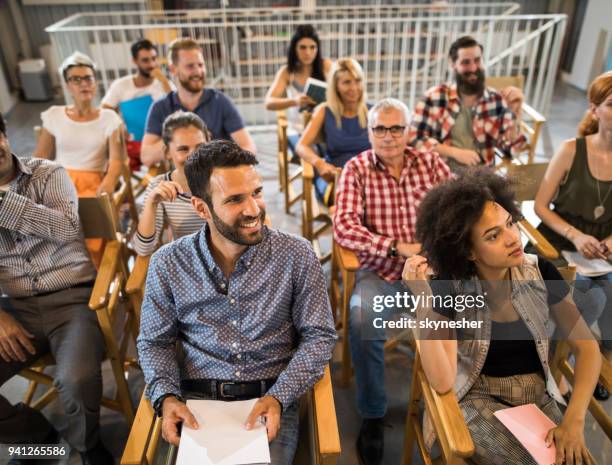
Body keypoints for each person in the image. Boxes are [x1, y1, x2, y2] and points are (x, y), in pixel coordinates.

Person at [137, 140, 337, 464]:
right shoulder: (168, 263)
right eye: (235, 200)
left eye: (256, 192)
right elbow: (154, 342)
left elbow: (320, 336)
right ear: (202, 208)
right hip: (196, 402)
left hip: (270, 398)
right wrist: (167, 397)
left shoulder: (297, 255)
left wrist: (279, 397)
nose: (254, 209)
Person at [404, 167, 600, 465]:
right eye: (493, 235)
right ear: (469, 251)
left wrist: (574, 420)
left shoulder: (540, 272)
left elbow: (586, 348)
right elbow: (443, 381)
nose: (513, 238)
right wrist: (423, 301)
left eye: (510, 223)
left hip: (536, 393)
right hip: (475, 394)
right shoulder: (451, 287)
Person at [333, 98, 451, 465]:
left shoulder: (430, 163)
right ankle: (372, 414)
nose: (387, 136)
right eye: (379, 129)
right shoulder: (356, 169)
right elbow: (344, 227)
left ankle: (453, 404)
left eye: (395, 127)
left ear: (408, 130)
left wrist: (434, 250)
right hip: (381, 271)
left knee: (473, 311)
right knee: (362, 319)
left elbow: (459, 208)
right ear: (369, 133)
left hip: (433, 270)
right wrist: (396, 248)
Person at [0, 115, 112, 465]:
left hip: (74, 300)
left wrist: (2, 202)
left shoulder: (49, 174)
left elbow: (65, 229)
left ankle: (87, 444)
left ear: (4, 136)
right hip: (17, 308)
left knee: (75, 379)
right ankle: (42, 441)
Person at [533, 70, 612, 400]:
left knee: (606, 297)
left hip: (603, 251)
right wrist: (576, 236)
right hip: (560, 243)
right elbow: (539, 206)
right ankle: (554, 367)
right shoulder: (570, 149)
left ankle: (594, 363)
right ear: (594, 110)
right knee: (586, 298)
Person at [34, 51, 124, 267]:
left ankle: (93, 275)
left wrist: (107, 184)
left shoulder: (109, 118)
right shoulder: (54, 114)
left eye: (88, 78)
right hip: (59, 180)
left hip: (92, 181)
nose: (83, 83)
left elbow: (116, 161)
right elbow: (41, 156)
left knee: (92, 229)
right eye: (76, 79)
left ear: (94, 83)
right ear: (68, 85)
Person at [408, 35, 526, 171]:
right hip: (440, 174)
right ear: (453, 64)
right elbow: (413, 138)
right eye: (466, 62)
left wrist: (515, 116)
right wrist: (455, 152)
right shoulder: (434, 97)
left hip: (482, 177)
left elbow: (511, 149)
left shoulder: (495, 100)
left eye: (477, 60)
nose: (473, 68)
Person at [141, 38, 256, 167]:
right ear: (173, 69)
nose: (198, 71)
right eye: (190, 66)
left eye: (200, 65)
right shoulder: (160, 107)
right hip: (181, 182)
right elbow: (146, 157)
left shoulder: (221, 101)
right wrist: (182, 137)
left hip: (218, 177)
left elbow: (248, 147)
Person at [296, 58, 371, 204]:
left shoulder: (373, 111)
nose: (354, 88)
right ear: (336, 86)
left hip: (368, 177)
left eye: (357, 81)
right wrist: (320, 164)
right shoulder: (324, 110)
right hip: (335, 176)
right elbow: (301, 145)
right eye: (347, 82)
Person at [133, 111, 209, 256]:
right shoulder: (160, 186)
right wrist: (151, 203)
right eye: (183, 149)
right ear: (167, 152)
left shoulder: (223, 178)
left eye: (200, 147)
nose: (194, 156)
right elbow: (143, 249)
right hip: (189, 264)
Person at [101, 38, 174, 171]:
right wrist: (118, 124)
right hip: (132, 143)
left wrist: (164, 81)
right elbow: (105, 110)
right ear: (135, 61)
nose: (152, 64)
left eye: (154, 58)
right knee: (110, 161)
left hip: (158, 144)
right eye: (145, 60)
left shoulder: (165, 85)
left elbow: (178, 110)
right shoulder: (121, 85)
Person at [264, 24, 332, 152]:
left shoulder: (326, 65)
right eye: (302, 47)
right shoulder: (286, 72)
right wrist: (294, 101)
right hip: (298, 130)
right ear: (294, 49)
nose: (308, 52)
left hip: (325, 128)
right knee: (312, 154)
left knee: (340, 148)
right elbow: (268, 102)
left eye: (313, 47)